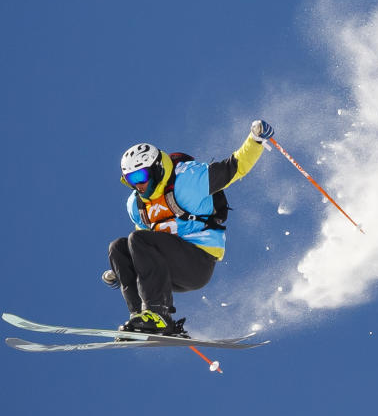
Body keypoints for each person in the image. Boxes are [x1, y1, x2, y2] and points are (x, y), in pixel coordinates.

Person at [102, 119, 274, 336]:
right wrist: (123, 270)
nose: (138, 185)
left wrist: (255, 139)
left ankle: (159, 315)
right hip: (167, 271)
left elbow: (233, 168)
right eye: (130, 179)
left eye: (140, 176)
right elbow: (140, 250)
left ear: (155, 169)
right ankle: (140, 318)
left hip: (198, 262)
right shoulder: (135, 205)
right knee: (118, 247)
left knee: (139, 239)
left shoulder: (188, 180)